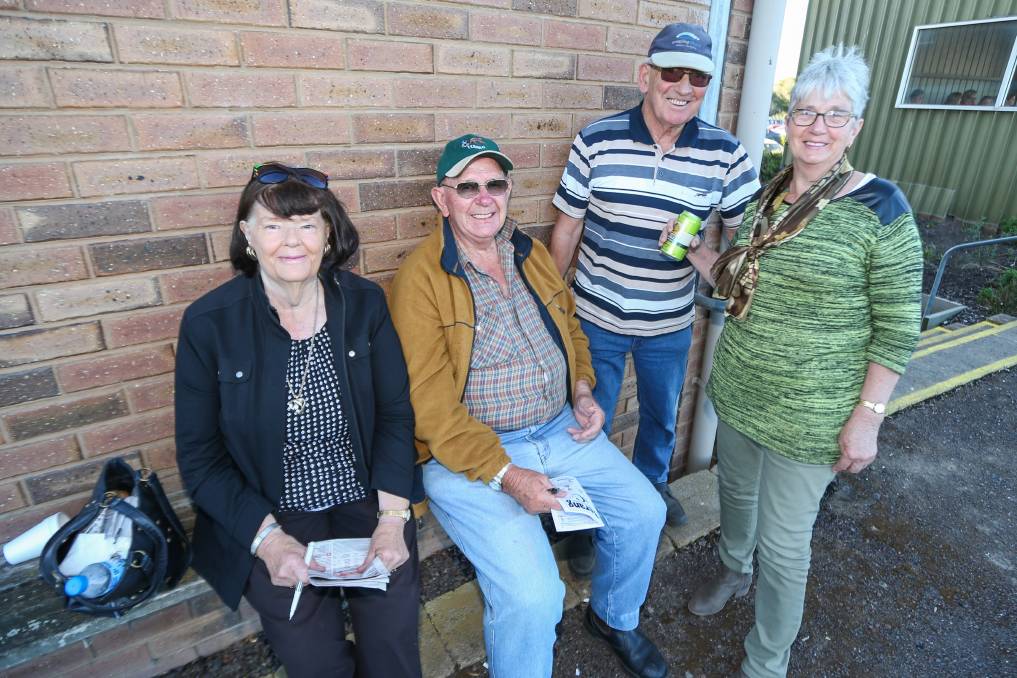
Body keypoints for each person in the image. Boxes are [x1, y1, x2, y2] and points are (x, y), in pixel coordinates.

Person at [676, 46, 923, 678]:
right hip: (740, 391)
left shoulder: (882, 208)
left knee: (785, 547)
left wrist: (867, 416)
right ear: (789, 122)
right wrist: (700, 254)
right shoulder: (770, 195)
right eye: (805, 112)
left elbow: (898, 326)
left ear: (857, 128)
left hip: (813, 416)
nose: (816, 127)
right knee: (734, 493)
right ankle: (733, 568)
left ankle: (766, 661)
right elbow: (743, 287)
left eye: (835, 115)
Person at [389, 135, 668, 678]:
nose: (483, 197)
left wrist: (583, 390)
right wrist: (508, 474)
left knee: (644, 512)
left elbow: (570, 331)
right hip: (472, 455)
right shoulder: (419, 280)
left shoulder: (530, 253)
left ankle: (612, 618)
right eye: (466, 187)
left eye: (494, 184)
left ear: (508, 190)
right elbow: (429, 408)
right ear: (440, 199)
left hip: (558, 427)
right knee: (535, 595)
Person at [175, 163, 422, 678]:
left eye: (308, 224)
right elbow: (201, 459)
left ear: (328, 233)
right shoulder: (209, 324)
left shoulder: (364, 304)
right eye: (272, 224)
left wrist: (393, 520)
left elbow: (396, 416)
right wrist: (269, 541)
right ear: (246, 235)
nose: (292, 241)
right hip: (271, 509)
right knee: (315, 664)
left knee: (393, 652)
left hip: (365, 497)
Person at [549, 22, 759, 564]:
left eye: (699, 77)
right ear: (645, 75)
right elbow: (568, 228)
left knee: (661, 418)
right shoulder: (597, 138)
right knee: (582, 418)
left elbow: (749, 248)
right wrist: (551, 303)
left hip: (668, 322)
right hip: (596, 315)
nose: (684, 86)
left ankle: (651, 492)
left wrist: (704, 259)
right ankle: (582, 515)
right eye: (672, 72)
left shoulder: (725, 153)